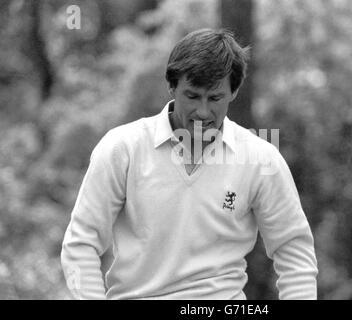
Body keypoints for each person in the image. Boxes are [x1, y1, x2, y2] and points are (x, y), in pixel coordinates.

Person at [61, 28, 318, 300]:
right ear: (172, 86)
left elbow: (295, 254)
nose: (203, 112)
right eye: (193, 96)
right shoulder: (123, 148)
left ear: (234, 91)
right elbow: (81, 243)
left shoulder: (260, 159)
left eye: (215, 98)